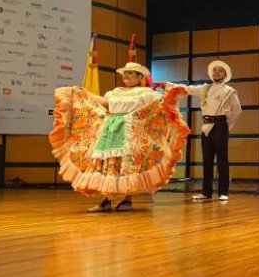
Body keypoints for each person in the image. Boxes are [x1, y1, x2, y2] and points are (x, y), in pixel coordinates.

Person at [50, 62, 190, 212]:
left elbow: (159, 106)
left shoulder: (146, 93)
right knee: (108, 164)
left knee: (126, 165)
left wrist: (172, 95)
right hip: (110, 130)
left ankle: (127, 199)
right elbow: (105, 102)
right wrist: (82, 93)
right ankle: (106, 200)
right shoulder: (116, 91)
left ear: (140, 76)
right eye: (125, 73)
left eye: (130, 73)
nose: (126, 75)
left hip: (131, 131)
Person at [164, 60, 241, 201]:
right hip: (206, 126)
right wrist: (168, 85)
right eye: (215, 70)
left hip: (220, 126)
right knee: (207, 160)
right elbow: (188, 89)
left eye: (220, 70)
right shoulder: (205, 88)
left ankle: (224, 192)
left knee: (222, 160)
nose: (216, 72)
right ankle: (206, 192)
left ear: (225, 75)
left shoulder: (228, 91)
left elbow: (237, 110)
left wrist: (226, 127)